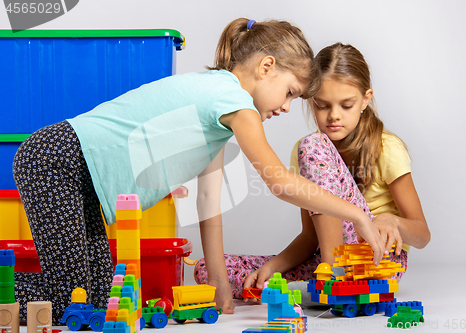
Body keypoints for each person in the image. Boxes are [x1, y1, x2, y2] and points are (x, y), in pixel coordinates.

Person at [13, 20, 385, 323]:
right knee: (70, 300)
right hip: (56, 161)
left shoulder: (217, 109)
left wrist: (220, 283)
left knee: (98, 298)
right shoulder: (235, 103)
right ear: (266, 67)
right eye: (289, 92)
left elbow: (208, 200)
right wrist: (354, 212)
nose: (288, 107)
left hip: (76, 177)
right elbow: (279, 182)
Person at [195, 42, 430, 300]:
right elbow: (310, 237)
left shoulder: (386, 147)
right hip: (327, 260)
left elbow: (422, 235)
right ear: (311, 103)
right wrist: (272, 268)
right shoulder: (306, 153)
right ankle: (321, 279)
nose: (334, 116)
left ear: (365, 100)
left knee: (313, 144)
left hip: (377, 260)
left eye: (347, 105)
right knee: (207, 270)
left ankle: (332, 280)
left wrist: (392, 221)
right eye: (322, 106)